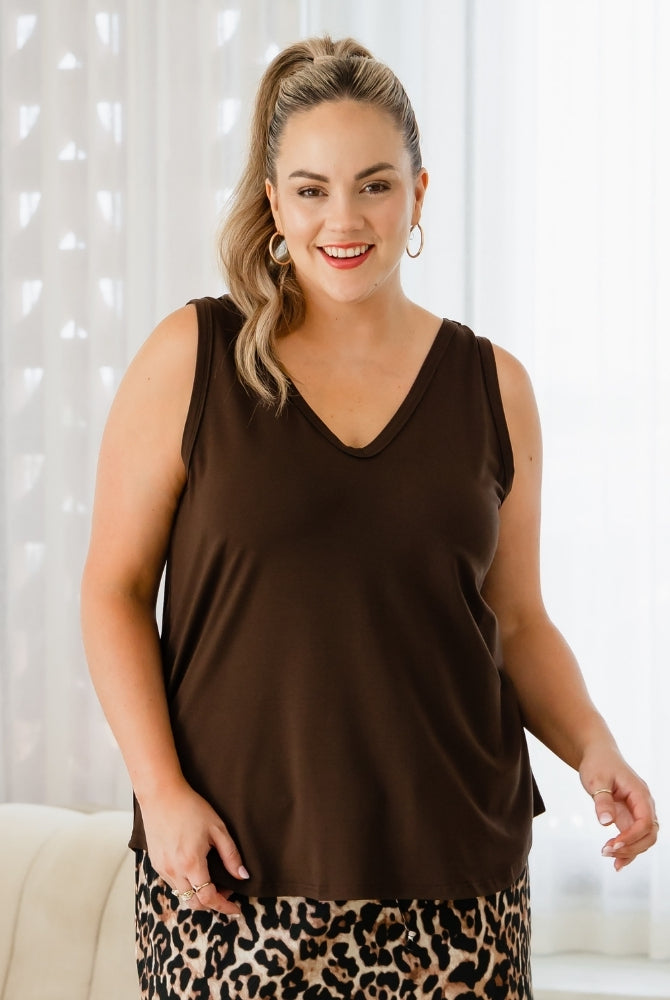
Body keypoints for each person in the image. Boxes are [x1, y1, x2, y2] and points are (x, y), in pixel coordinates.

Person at [81, 35, 659, 1000]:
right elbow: (113, 589)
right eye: (311, 189)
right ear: (274, 203)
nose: (343, 219)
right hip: (234, 876)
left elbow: (518, 620)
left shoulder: (494, 386)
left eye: (375, 186)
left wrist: (594, 744)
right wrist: (161, 791)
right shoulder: (192, 356)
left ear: (419, 196)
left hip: (457, 884)